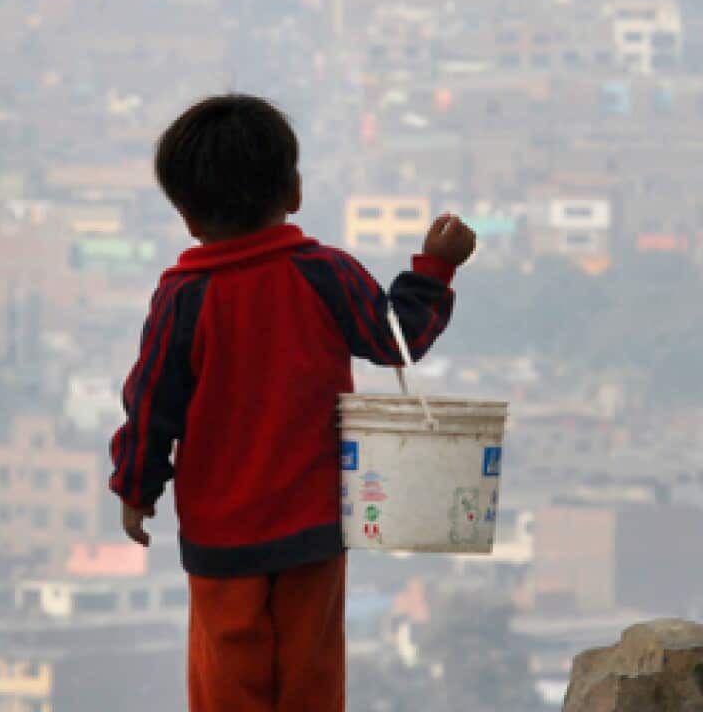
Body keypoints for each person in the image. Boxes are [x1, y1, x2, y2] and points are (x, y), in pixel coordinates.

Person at [109, 94, 475, 712]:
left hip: (222, 540)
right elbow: (397, 339)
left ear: (186, 214)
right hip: (313, 529)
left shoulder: (184, 298)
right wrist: (435, 268)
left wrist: (135, 488)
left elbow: (151, 405)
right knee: (310, 680)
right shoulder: (324, 274)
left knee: (226, 682)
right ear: (295, 191)